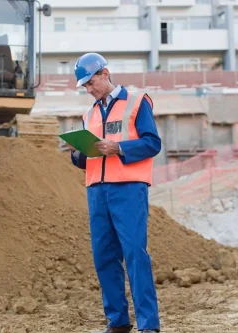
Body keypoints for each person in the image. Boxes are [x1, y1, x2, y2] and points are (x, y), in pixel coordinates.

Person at [67, 52, 161, 333]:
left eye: (90, 82)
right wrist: (76, 153)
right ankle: (118, 322)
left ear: (104, 74)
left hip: (129, 189)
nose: (89, 89)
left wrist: (119, 148)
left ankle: (148, 325)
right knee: (104, 257)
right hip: (97, 191)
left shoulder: (136, 102)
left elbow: (152, 143)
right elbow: (88, 158)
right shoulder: (90, 113)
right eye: (84, 86)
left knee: (134, 253)